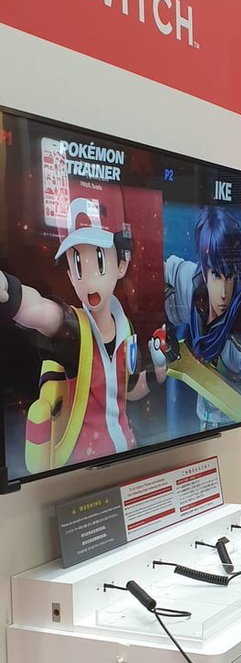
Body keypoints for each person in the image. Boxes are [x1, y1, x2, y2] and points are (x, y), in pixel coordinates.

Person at [0, 190, 166, 470]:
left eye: (99, 261)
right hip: (81, 466)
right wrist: (8, 290)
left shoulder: (126, 330)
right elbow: (41, 311)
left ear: (121, 264)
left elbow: (127, 390)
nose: (88, 278)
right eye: (77, 264)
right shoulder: (75, 330)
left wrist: (158, 374)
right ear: (69, 275)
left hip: (127, 453)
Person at [164, 204, 241, 430]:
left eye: (229, 276)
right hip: (202, 422)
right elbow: (155, 277)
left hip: (237, 426)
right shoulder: (190, 281)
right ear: (204, 270)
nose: (223, 292)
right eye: (216, 275)